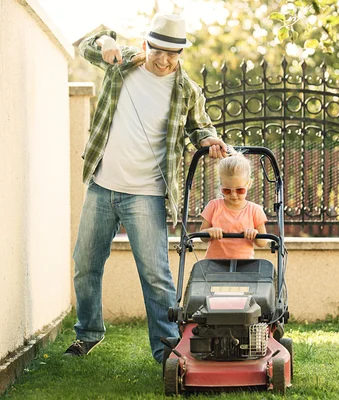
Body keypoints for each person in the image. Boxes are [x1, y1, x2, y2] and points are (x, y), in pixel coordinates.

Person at [65, 13, 227, 363]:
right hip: (102, 186)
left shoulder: (187, 90)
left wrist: (209, 138)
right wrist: (106, 41)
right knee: (84, 263)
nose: (164, 59)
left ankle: (167, 350)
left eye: (173, 53)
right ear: (146, 44)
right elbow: (86, 48)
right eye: (158, 50)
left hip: (148, 194)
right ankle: (88, 334)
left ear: (181, 53)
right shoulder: (123, 63)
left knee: (156, 276)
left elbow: (200, 128)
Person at [200, 153, 269, 258]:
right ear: (221, 186)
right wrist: (209, 232)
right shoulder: (213, 206)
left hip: (244, 266)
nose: (233, 195)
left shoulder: (255, 210)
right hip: (214, 265)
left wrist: (254, 234)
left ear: (249, 184)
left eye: (239, 190)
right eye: (227, 190)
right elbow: (202, 236)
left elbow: (262, 243)